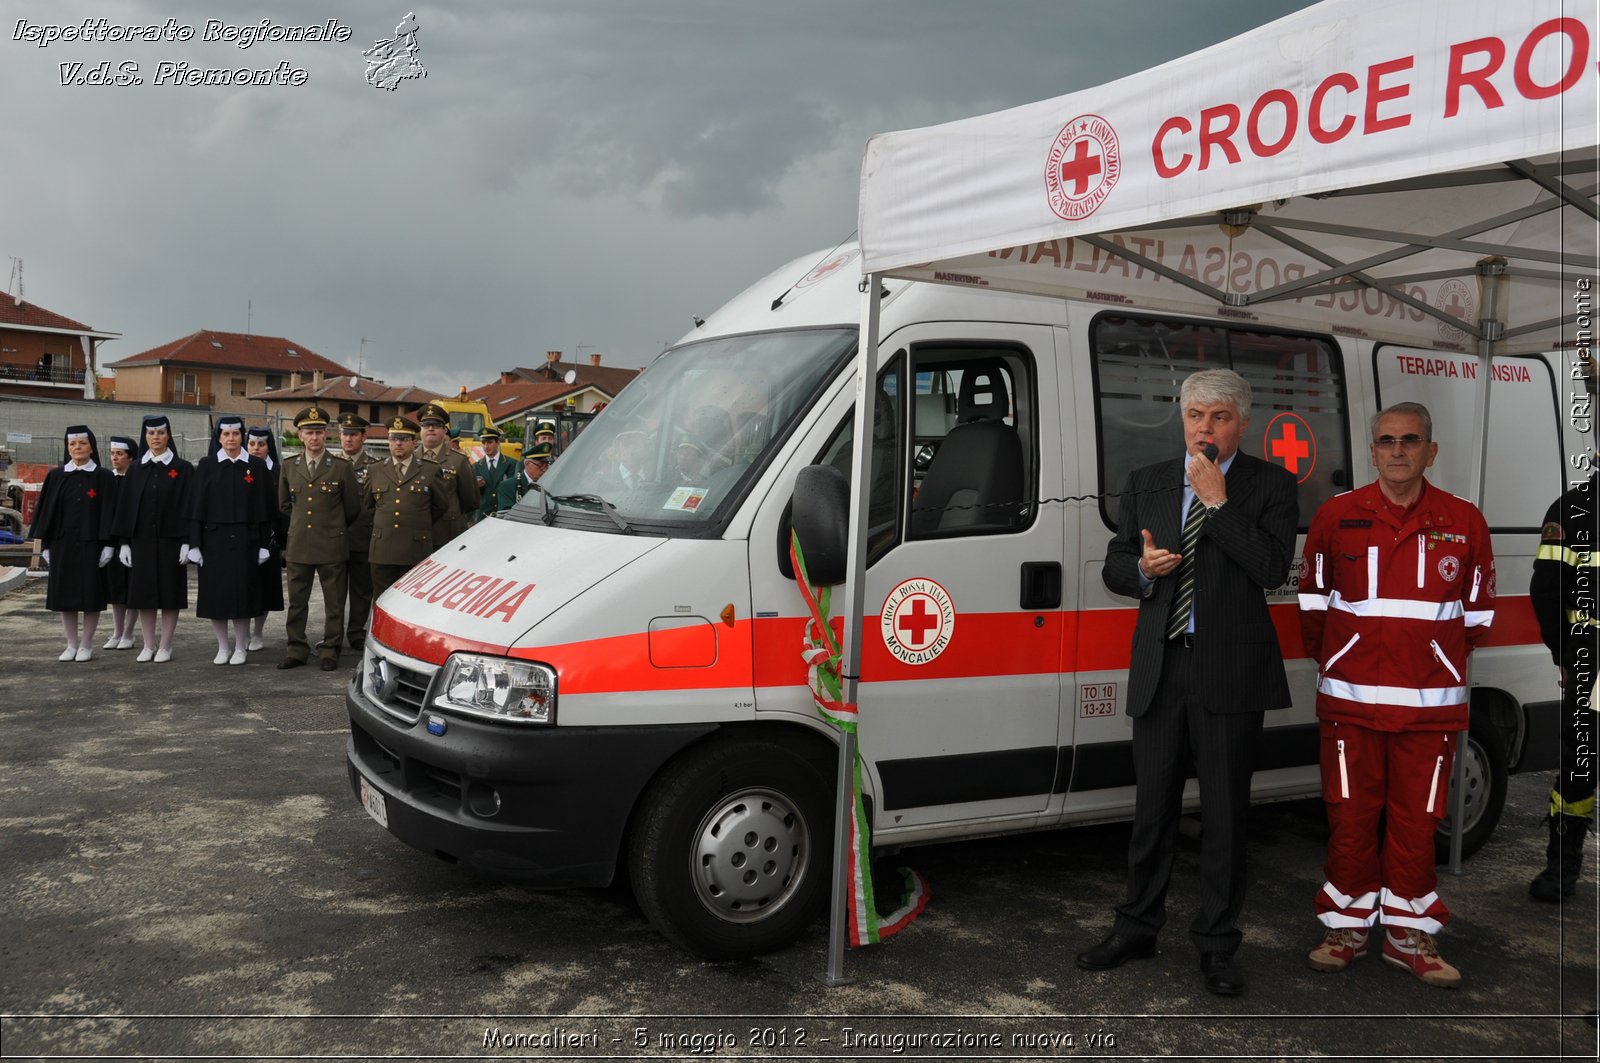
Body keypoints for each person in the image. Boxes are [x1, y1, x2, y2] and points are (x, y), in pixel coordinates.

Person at [1077, 368, 1297, 997]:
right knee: (1152, 811)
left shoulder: (1271, 485)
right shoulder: (1146, 480)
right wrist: (1142, 571)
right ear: (1183, 418)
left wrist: (1218, 503)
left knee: (1225, 818)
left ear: (1242, 423)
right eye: (1196, 415)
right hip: (1163, 663)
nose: (1206, 428)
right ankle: (1137, 928)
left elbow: (1271, 568)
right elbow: (1117, 565)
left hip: (1229, 669)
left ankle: (1219, 946)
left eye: (1220, 417)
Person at [1299, 402, 1494, 988]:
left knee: (1416, 821)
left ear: (1431, 451)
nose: (1397, 450)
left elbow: (1479, 617)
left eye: (1410, 440)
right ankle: (1347, 928)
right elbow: (1312, 606)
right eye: (1386, 441)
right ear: (1373, 449)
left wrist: (1431, 659)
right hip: (1349, 704)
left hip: (1427, 707)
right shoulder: (1335, 516)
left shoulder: (1464, 520)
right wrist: (1339, 658)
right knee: (1351, 818)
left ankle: (1409, 937)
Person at [1528, 468, 1597, 901]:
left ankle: (1561, 869)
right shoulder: (1573, 508)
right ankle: (1562, 863)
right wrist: (1566, 654)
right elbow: (1548, 589)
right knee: (1579, 765)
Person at [276, 405, 362, 672]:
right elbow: (284, 505)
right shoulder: (290, 466)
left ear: (327, 435)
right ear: (300, 436)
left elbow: (352, 508)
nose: (314, 437)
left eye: (319, 432)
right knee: (297, 602)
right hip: (300, 544)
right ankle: (296, 648)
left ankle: (330, 648)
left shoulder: (340, 467)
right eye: (308, 432)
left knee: (334, 602)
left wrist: (332, 527)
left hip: (331, 544)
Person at [187, 416, 276, 665]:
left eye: (236, 434)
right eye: (225, 434)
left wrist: (263, 545)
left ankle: (240, 646)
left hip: (246, 540)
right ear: (219, 437)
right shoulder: (207, 465)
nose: (231, 439)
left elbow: (266, 508)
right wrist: (194, 544)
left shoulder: (256, 467)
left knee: (242, 596)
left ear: (242, 437)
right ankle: (222, 646)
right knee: (216, 596)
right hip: (214, 541)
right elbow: (195, 507)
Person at [112, 414, 193, 663]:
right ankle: (148, 644)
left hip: (171, 542)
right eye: (151, 433)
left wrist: (188, 541)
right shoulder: (136, 469)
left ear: (168, 435)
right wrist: (124, 542)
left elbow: (189, 506)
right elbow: (124, 506)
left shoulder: (182, 469)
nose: (155, 438)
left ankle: (166, 645)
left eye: (160, 433)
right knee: (144, 595)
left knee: (169, 595)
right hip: (142, 542)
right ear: (145, 436)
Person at [30, 425, 116, 662]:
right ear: (67, 448)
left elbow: (110, 511)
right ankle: (71, 644)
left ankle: (87, 645)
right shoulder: (56, 476)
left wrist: (109, 544)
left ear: (91, 447)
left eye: (82, 444)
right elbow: (46, 512)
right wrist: (46, 545)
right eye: (72, 444)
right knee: (65, 597)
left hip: (92, 545)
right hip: (62, 544)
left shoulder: (103, 477)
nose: (77, 448)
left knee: (91, 597)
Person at [365, 416, 447, 603]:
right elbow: (367, 506)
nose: (398, 443)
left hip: (415, 548)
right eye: (394, 438)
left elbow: (440, 506)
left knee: (411, 602)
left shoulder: (430, 470)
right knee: (381, 600)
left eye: (403, 439)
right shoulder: (375, 469)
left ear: (414, 443)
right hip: (383, 549)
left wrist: (417, 524)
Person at [335, 413, 378, 651]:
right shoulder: (330, 464)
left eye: (353, 434)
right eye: (344, 434)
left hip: (362, 537)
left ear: (363, 436)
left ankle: (356, 632)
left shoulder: (373, 467)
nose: (348, 439)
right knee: (336, 593)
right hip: (334, 538)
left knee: (361, 591)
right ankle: (334, 634)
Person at [246, 426, 286, 651]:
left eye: (261, 444)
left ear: (269, 446)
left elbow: (284, 509)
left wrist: (282, 543)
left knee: (266, 588)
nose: (256, 448)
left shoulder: (278, 471)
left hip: (270, 539)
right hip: (244, 538)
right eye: (252, 444)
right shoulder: (240, 468)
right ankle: (243, 631)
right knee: (244, 587)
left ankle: (257, 633)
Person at [417, 402, 479, 544]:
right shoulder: (410, 459)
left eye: (436, 425)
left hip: (447, 533)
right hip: (416, 535)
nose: (431, 429)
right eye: (426, 425)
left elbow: (470, 501)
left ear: (445, 431)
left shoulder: (458, 461)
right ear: (420, 430)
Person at [100, 436, 137, 651]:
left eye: (120, 454)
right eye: (113, 453)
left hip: (133, 541)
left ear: (130, 457)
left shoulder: (135, 479)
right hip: (112, 542)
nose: (115, 457)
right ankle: (117, 631)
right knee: (116, 590)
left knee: (132, 590)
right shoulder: (108, 479)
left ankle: (129, 632)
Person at [473, 426, 519, 518]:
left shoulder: (511, 464)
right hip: (483, 516)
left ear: (498, 442)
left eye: (490, 442)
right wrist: (475, 486)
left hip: (504, 514)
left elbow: (515, 491)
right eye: (483, 443)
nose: (486, 446)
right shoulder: (476, 466)